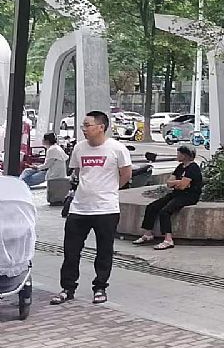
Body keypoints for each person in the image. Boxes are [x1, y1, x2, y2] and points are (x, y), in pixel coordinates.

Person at [51, 111, 132, 305]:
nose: (84, 129)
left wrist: (108, 190)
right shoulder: (79, 148)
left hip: (106, 209)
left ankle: (100, 287)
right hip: (79, 208)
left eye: (87, 125)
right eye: (83, 126)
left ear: (101, 127)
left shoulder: (117, 149)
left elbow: (126, 174)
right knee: (71, 251)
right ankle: (68, 288)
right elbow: (78, 173)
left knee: (104, 251)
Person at [132, 145, 203, 250]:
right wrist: (179, 182)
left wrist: (179, 183)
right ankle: (148, 234)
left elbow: (183, 186)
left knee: (165, 212)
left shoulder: (193, 168)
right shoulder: (180, 167)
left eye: (179, 153)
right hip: (177, 193)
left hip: (189, 196)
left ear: (185, 155)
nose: (177, 155)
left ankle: (168, 240)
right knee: (152, 206)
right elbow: (169, 183)